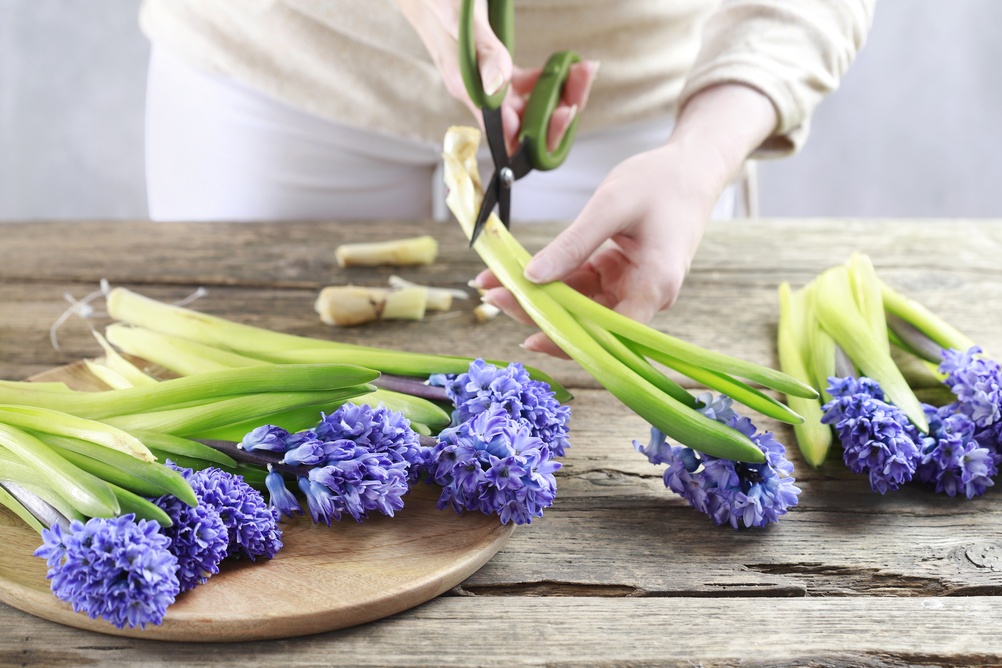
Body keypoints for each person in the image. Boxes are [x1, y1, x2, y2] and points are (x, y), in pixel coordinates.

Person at [140, 0, 876, 355]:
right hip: (282, 54)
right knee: (242, 338)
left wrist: (702, 157)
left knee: (594, 359)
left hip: (631, 83)